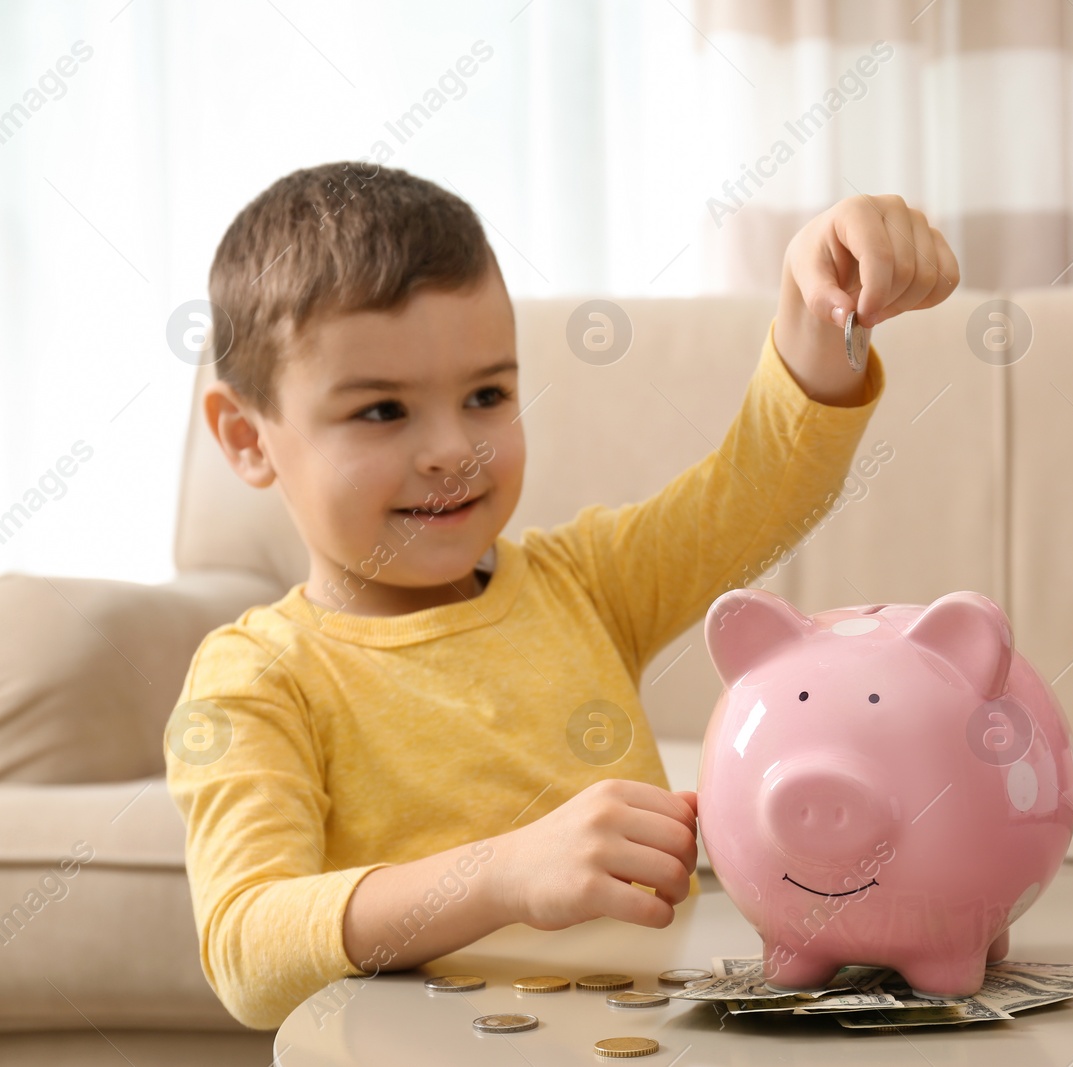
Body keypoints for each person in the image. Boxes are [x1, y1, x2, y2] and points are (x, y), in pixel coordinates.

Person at [165, 161, 959, 1029]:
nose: (453, 448)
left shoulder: (580, 581)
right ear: (247, 437)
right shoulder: (254, 677)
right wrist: (500, 873)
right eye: (383, 411)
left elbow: (758, 491)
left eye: (486, 395)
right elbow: (246, 945)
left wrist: (817, 311)